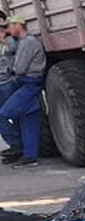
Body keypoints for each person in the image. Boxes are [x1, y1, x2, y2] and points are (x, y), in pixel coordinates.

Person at [0, 17, 45, 166]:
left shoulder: (28, 43)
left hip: (29, 83)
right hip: (29, 83)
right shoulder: (23, 42)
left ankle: (21, 149)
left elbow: (19, 69)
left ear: (18, 25)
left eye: (9, 26)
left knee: (6, 113)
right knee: (28, 122)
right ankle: (29, 156)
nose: (7, 30)